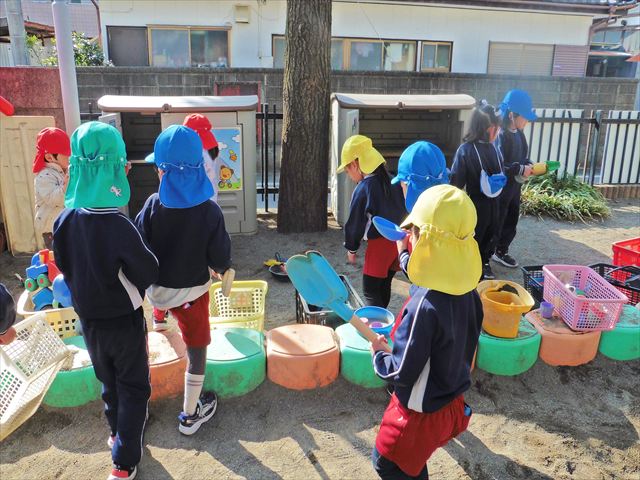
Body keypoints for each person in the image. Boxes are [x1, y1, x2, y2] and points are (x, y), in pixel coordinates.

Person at [53, 122, 159, 480]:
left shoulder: (64, 220)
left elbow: (63, 263)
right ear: (116, 169)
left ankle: (116, 431)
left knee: (108, 380)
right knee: (134, 385)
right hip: (123, 321)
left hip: (89, 320)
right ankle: (123, 462)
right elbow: (148, 269)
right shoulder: (119, 225)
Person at [370, 184, 483, 480]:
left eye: (414, 232)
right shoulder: (470, 293)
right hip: (450, 401)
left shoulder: (423, 307)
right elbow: (427, 277)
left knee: (387, 463)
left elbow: (401, 371)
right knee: (412, 461)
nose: (409, 236)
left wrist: (379, 355)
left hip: (419, 414)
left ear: (425, 241)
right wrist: (404, 255)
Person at [137, 125, 232, 436]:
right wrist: (221, 268)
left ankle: (159, 319)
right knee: (197, 346)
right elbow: (220, 258)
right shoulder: (209, 211)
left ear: (163, 171)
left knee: (161, 295)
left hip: (158, 291)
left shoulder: (152, 204)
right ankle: (190, 414)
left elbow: (140, 247)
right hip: (192, 294)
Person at [338, 135, 407, 308]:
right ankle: (384, 315)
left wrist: (352, 248)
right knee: (385, 283)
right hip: (399, 239)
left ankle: (377, 322)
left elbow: (355, 222)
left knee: (370, 289)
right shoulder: (393, 179)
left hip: (380, 244)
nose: (349, 175)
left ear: (355, 165)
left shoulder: (364, 188)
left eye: (347, 170)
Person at [450, 101, 506, 280]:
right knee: (484, 235)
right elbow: (456, 183)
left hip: (484, 204)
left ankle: (479, 266)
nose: (498, 132)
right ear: (488, 128)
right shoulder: (474, 150)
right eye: (496, 128)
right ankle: (477, 266)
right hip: (484, 204)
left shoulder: (476, 149)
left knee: (484, 236)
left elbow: (456, 182)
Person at [492, 89, 536, 269]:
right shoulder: (501, 135)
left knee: (511, 217)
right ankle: (486, 254)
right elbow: (499, 164)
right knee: (497, 219)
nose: (527, 121)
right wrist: (520, 168)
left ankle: (501, 250)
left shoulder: (519, 133)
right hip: (500, 188)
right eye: (524, 117)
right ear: (512, 115)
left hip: (514, 186)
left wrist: (528, 164)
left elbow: (522, 156)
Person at [33, 127, 71, 249]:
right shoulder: (44, 176)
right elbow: (55, 199)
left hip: (64, 225)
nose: (70, 157)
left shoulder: (61, 171)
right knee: (58, 257)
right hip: (51, 230)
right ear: (50, 157)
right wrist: (67, 184)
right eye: (66, 155)